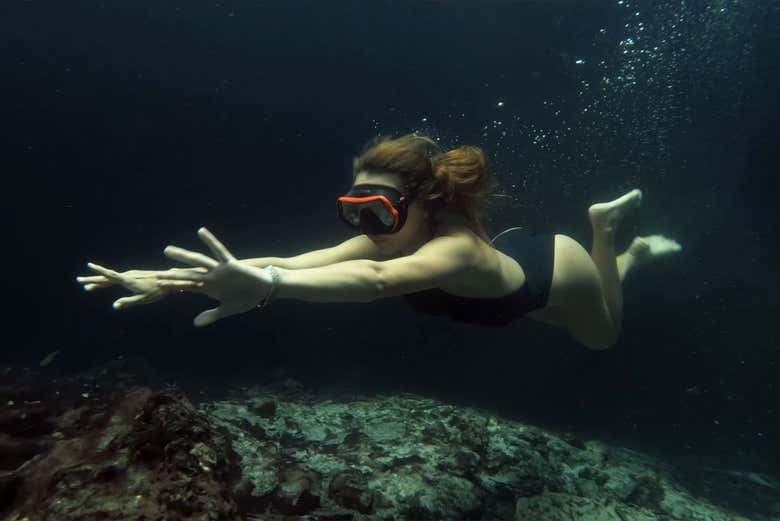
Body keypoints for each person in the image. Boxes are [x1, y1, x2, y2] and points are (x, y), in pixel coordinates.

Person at [77, 134, 681, 350]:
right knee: (547, 320)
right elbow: (278, 262)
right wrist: (158, 281)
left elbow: (376, 284)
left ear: (427, 203)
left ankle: (608, 236)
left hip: (558, 265)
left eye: (377, 211)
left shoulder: (456, 250)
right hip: (514, 287)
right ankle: (622, 250)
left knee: (601, 336)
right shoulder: (389, 239)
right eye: (352, 211)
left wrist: (269, 288)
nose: (364, 227)